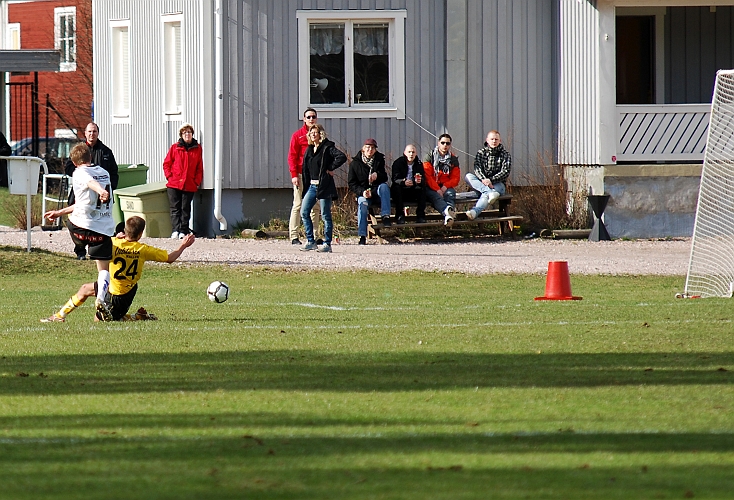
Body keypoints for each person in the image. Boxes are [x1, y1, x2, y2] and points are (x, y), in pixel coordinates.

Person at [41, 216, 195, 323]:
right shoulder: (143, 249)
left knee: (101, 322)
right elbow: (170, 258)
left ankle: (136, 317)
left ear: (125, 231)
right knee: (85, 289)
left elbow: (97, 245)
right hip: (125, 290)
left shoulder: (113, 243)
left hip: (117, 295)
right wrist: (183, 245)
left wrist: (115, 236)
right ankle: (59, 316)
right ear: (140, 234)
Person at [44, 143, 115, 321]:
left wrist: (100, 191)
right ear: (90, 157)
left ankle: (80, 250)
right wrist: (59, 212)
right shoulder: (105, 172)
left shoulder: (79, 172)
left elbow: (92, 183)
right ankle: (100, 298)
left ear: (75, 163)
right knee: (104, 269)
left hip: (81, 228)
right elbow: (86, 199)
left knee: (73, 222)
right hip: (103, 229)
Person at [64, 122, 119, 260]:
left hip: (101, 196)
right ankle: (80, 250)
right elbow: (69, 167)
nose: (91, 134)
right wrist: (78, 175)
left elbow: (113, 173)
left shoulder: (106, 151)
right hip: (82, 191)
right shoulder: (80, 150)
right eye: (89, 131)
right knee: (79, 218)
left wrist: (109, 190)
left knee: (99, 219)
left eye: (94, 131)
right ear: (85, 133)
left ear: (97, 133)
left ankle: (97, 249)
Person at [300, 124, 347, 253]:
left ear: (321, 134)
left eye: (316, 132)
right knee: (304, 212)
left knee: (325, 215)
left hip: (324, 186)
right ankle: (310, 241)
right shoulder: (309, 149)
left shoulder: (327, 147)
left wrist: (330, 167)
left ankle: (327, 243)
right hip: (312, 185)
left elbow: (341, 157)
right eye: (311, 132)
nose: (313, 134)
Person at [348, 138, 391, 245]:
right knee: (362, 205)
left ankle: (385, 216)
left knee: (384, 187)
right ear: (363, 149)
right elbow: (352, 184)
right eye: (368, 147)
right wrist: (362, 192)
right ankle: (362, 235)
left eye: (372, 148)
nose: (370, 150)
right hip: (363, 193)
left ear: (375, 150)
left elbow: (384, 177)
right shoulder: (355, 164)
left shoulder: (379, 160)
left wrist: (377, 175)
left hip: (376, 192)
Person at [288, 108, 322, 245]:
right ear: (304, 119)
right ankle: (294, 235)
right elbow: (292, 157)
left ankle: (315, 235)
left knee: (315, 206)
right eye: (308, 117)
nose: (311, 119)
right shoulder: (298, 136)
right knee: (298, 204)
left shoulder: (319, 136)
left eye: (313, 117)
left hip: (315, 175)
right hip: (301, 175)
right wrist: (294, 175)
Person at [163, 123, 203, 239]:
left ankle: (183, 231)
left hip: (189, 184)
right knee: (175, 208)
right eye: (185, 132)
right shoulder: (175, 147)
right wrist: (169, 176)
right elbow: (167, 163)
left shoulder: (197, 148)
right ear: (181, 134)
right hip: (174, 183)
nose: (187, 134)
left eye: (189, 132)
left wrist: (196, 181)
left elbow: (199, 167)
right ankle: (175, 230)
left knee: (185, 209)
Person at [465, 130, 512, 220]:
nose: (494, 141)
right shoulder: (481, 153)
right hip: (482, 183)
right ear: (487, 140)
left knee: (485, 194)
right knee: (468, 176)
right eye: (492, 139)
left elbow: (505, 171)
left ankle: (474, 212)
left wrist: (491, 180)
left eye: (496, 139)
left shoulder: (505, 155)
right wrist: (484, 179)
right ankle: (490, 192)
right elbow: (477, 168)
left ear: (500, 141)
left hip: (498, 184)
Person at [422, 134, 458, 226]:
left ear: (450, 145)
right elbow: (427, 176)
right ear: (438, 143)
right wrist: (437, 188)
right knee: (435, 196)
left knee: (450, 194)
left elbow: (455, 178)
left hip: (445, 185)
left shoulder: (453, 159)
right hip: (431, 186)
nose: (445, 145)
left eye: (447, 143)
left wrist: (445, 186)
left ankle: (448, 216)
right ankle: (448, 213)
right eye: (443, 143)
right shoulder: (430, 156)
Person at [390, 144, 427, 225]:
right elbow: (395, 179)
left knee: (423, 189)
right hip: (401, 189)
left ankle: (420, 216)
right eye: (409, 152)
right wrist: (403, 182)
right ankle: (400, 215)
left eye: (413, 152)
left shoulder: (419, 163)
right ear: (404, 153)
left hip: (413, 189)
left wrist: (419, 181)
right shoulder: (398, 162)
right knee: (396, 189)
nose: (411, 154)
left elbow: (423, 178)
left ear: (416, 154)